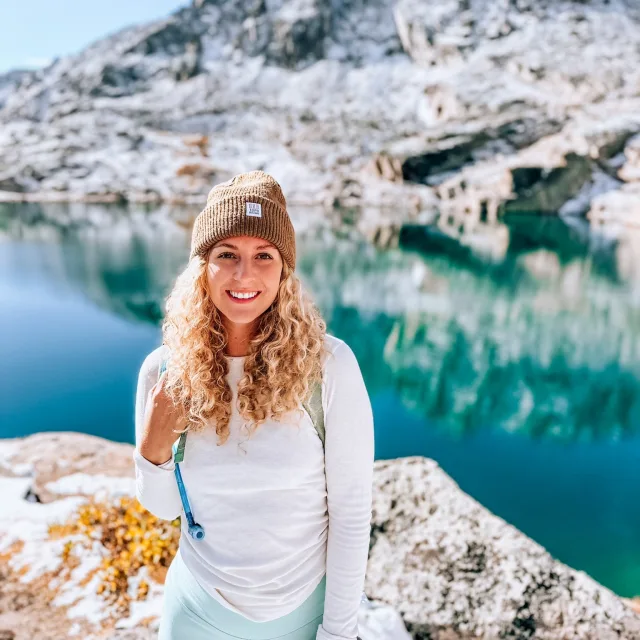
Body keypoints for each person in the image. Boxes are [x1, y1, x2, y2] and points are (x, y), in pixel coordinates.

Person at [133, 170, 375, 640]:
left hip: (302, 616)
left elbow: (350, 514)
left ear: (284, 268)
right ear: (202, 266)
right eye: (227, 254)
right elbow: (163, 510)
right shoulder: (164, 371)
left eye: (264, 255)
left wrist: (339, 633)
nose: (245, 275)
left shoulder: (329, 366)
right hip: (196, 612)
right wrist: (154, 449)